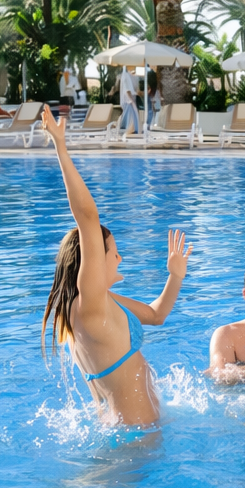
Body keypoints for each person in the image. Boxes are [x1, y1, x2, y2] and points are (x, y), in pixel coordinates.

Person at [40, 107, 190, 427]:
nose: (119, 258)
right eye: (114, 253)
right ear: (92, 260)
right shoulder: (90, 304)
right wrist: (61, 147)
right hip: (137, 436)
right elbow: (87, 217)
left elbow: (156, 315)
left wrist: (175, 276)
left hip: (131, 432)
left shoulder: (101, 304)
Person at [118, 65, 140, 136]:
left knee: (131, 124)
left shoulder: (133, 76)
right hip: (129, 102)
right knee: (130, 125)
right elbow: (127, 90)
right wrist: (132, 101)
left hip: (131, 102)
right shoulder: (126, 75)